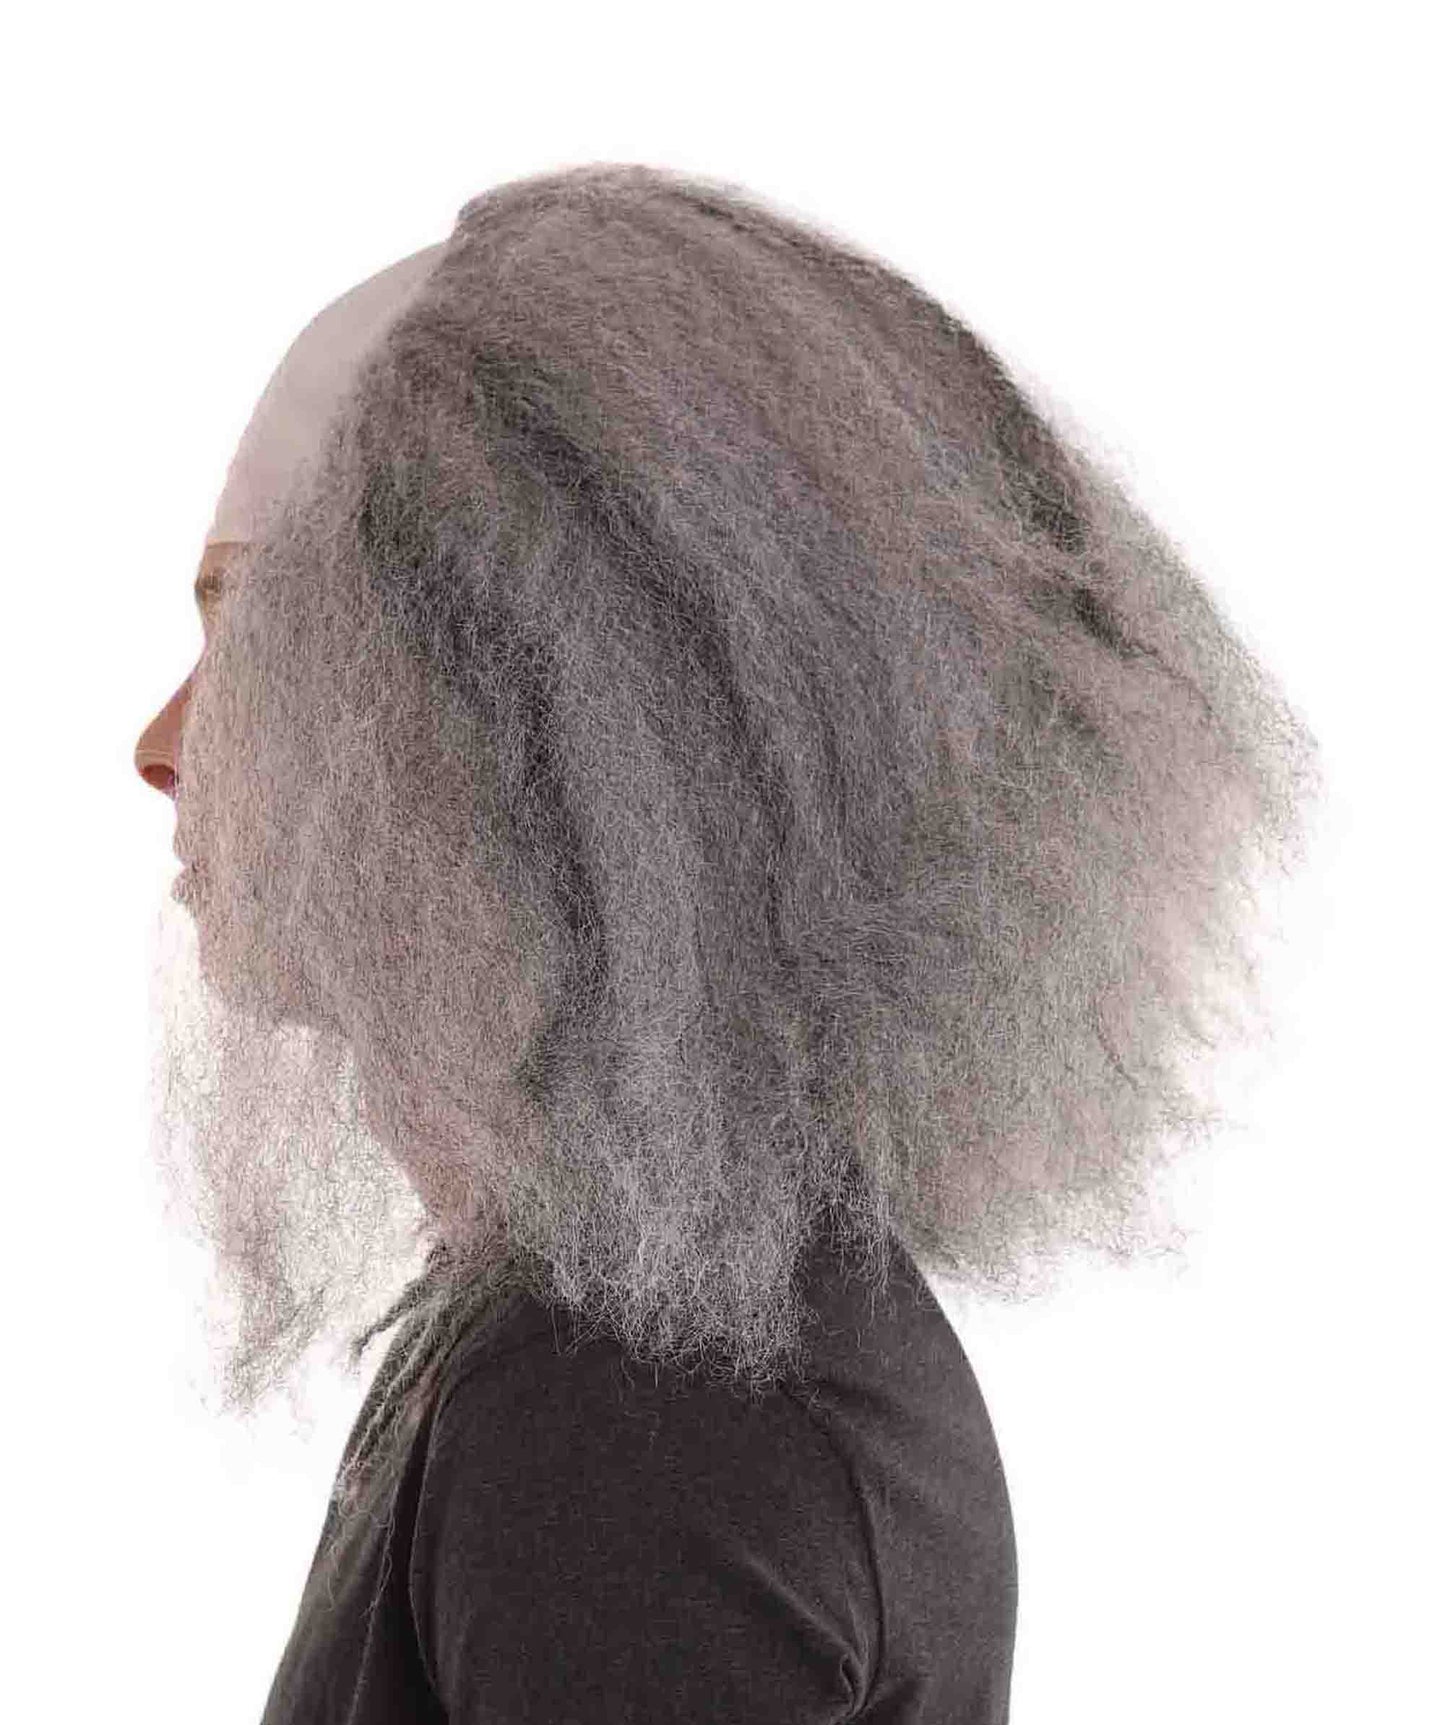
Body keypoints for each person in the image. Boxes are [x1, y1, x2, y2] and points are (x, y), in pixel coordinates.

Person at [133, 162, 1322, 1724]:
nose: (162, 744)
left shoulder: (638, 1402)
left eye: (249, 631)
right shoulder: (652, 1336)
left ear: (512, 712)